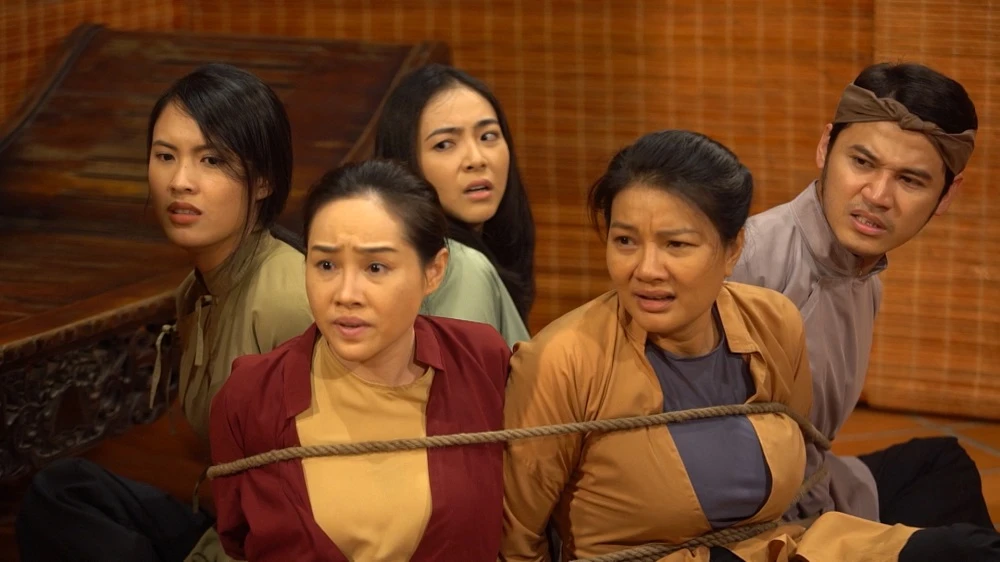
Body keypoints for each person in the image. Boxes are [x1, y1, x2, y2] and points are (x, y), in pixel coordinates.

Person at [500, 129, 1000, 561]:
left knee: (966, 548)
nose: (646, 269)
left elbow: (798, 460)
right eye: (625, 241)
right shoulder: (561, 360)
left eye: (676, 244)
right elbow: (516, 539)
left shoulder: (772, 322)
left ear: (733, 248)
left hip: (778, 548)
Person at [16, 63, 313, 562]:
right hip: (232, 521)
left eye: (211, 160)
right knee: (62, 491)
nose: (180, 181)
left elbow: (319, 497)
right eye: (165, 156)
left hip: (280, 544)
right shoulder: (195, 291)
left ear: (263, 181)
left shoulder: (288, 299)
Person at [729, 62, 993, 529]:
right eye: (862, 162)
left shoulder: (866, 281)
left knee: (944, 464)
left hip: (816, 488)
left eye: (910, 180)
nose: (877, 195)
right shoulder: (744, 262)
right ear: (825, 146)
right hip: (755, 521)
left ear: (947, 195)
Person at [209, 159, 512, 562]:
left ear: (434, 271)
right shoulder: (249, 397)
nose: (346, 294)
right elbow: (236, 537)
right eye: (326, 265)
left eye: (375, 267)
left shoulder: (481, 360)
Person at [373, 63, 535, 347]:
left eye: (488, 136)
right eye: (444, 144)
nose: (476, 159)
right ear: (404, 163)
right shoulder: (460, 268)